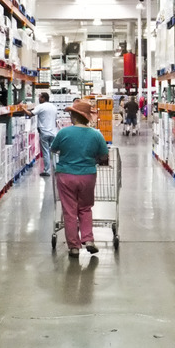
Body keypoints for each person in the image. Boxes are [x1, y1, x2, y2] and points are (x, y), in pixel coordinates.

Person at [51, 99, 109, 258]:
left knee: (69, 211)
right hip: (87, 176)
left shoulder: (63, 132)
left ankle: (74, 247)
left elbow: (53, 149)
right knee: (85, 208)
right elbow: (104, 155)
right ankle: (88, 240)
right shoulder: (96, 135)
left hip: (66, 175)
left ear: (74, 116)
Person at [23, 93, 58, 176]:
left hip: (44, 133)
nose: (39, 99)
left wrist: (23, 108)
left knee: (46, 152)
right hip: (53, 132)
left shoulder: (41, 106)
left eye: (40, 97)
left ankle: (47, 171)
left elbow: (30, 114)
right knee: (54, 152)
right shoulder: (54, 107)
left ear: (43, 98)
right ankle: (57, 169)